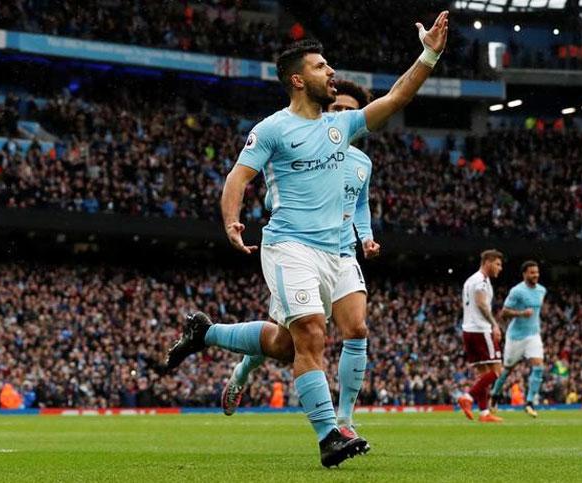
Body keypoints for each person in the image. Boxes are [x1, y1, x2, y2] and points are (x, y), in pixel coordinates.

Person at [165, 11, 449, 468]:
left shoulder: (343, 127)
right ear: (297, 80)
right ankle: (329, 437)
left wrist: (430, 52)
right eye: (321, 67)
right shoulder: (273, 128)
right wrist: (232, 220)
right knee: (311, 336)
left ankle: (207, 332)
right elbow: (237, 179)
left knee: (288, 345)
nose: (330, 72)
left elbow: (397, 97)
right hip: (289, 246)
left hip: (337, 251)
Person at [221, 80, 379, 444]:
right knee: (285, 342)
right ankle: (245, 366)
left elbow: (360, 205)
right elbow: (272, 195)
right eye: (335, 108)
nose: (339, 114)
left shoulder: (361, 163)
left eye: (347, 110)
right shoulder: (305, 143)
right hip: (299, 251)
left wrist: (365, 235)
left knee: (356, 328)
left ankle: (345, 420)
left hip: (342, 252)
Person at [490, 261, 547, 418]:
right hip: (516, 336)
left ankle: (529, 403)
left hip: (533, 334)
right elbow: (504, 313)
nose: (535, 275)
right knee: (507, 369)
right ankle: (494, 395)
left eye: (537, 272)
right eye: (532, 273)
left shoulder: (542, 290)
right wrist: (521, 314)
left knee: (539, 367)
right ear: (524, 274)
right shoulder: (517, 291)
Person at [457, 249, 504, 423]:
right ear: (488, 262)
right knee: (498, 371)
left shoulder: (470, 280)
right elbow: (481, 304)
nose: (500, 268)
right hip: (481, 329)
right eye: (498, 264)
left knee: (483, 373)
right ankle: (467, 397)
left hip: (468, 330)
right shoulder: (481, 281)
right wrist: (494, 324)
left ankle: (484, 413)